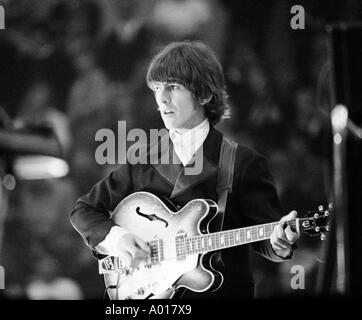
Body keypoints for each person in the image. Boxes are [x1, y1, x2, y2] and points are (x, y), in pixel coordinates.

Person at [70, 40, 300, 299]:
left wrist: (280, 241)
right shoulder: (141, 161)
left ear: (203, 94)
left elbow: (267, 237)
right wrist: (119, 238)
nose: (162, 98)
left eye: (173, 87)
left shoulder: (243, 162)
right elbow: (83, 211)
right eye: (157, 88)